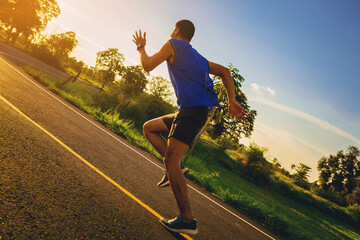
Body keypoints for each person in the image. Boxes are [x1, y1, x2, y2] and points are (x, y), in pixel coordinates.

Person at [132, 19, 248, 235]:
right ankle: (173, 170)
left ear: (176, 30)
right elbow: (225, 71)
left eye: (172, 28)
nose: (171, 31)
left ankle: (187, 220)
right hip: (190, 111)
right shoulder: (198, 57)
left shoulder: (172, 44)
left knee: (171, 160)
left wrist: (141, 48)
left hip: (192, 112)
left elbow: (147, 66)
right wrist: (232, 100)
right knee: (149, 128)